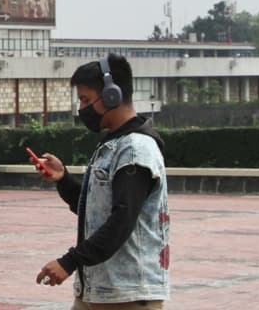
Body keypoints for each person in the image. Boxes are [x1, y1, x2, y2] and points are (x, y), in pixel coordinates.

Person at [32, 53, 169, 309]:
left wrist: (69, 261)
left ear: (111, 96)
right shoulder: (113, 145)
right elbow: (95, 209)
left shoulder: (135, 150)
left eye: (85, 99)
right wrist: (64, 180)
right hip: (98, 291)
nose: (81, 108)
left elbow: (121, 221)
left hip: (127, 293)